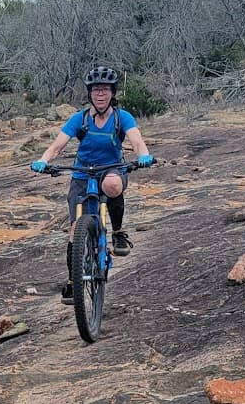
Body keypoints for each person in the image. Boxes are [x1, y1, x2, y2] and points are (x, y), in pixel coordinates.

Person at [30, 65, 155, 302]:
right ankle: (73, 281)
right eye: (96, 89)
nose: (100, 94)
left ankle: (117, 232)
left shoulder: (121, 117)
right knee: (75, 229)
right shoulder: (80, 119)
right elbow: (57, 146)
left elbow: (137, 142)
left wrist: (144, 156)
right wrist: (43, 161)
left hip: (111, 169)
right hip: (82, 172)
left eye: (105, 90)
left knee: (112, 186)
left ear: (112, 92)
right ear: (90, 93)